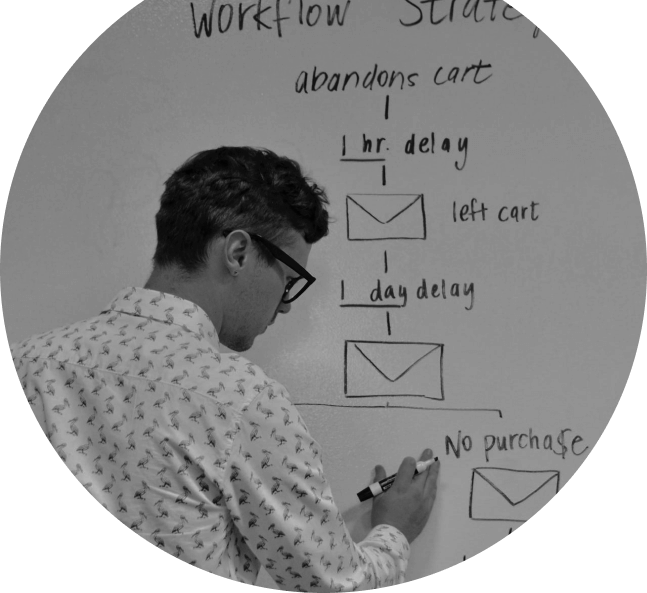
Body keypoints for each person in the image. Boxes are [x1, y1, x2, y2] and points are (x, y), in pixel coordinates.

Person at [11, 147, 439, 588]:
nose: (285, 307)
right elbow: (336, 585)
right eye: (289, 281)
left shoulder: (28, 361)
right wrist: (395, 530)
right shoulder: (244, 402)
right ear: (238, 252)